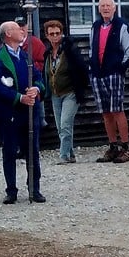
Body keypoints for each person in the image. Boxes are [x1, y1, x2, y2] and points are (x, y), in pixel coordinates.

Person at [0, 21, 45, 204]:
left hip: (29, 111)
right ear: (8, 34)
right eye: (16, 28)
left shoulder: (26, 57)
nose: (22, 31)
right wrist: (19, 98)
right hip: (9, 112)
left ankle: (34, 188)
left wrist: (36, 89)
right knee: (10, 150)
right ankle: (11, 190)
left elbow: (38, 77)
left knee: (32, 150)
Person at [88, 0, 129, 163]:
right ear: (99, 8)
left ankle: (125, 147)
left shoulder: (121, 25)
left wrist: (120, 68)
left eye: (108, 5)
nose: (106, 8)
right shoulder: (95, 26)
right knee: (105, 112)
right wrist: (92, 68)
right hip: (97, 73)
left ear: (114, 8)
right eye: (103, 6)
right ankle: (112, 146)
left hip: (114, 73)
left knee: (117, 110)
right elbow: (91, 49)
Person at [42, 19, 88, 163]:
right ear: (47, 36)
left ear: (61, 34)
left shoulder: (70, 51)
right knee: (60, 126)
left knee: (65, 124)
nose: (55, 36)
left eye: (57, 33)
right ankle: (71, 154)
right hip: (56, 94)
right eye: (52, 34)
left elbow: (82, 69)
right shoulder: (48, 53)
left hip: (70, 93)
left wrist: (80, 87)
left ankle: (63, 156)